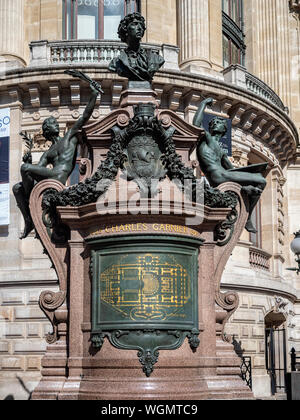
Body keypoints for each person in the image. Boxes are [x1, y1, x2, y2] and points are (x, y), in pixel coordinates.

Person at [13, 79, 102, 239]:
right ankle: (29, 219)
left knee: (25, 169)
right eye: (50, 124)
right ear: (47, 131)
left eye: (54, 122)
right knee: (17, 188)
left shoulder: (68, 138)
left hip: (59, 176)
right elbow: (36, 171)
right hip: (50, 176)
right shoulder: (49, 152)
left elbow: (84, 117)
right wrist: (27, 161)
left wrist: (94, 95)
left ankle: (30, 203)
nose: (54, 124)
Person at [193, 97, 267, 233]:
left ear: (223, 130)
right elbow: (196, 125)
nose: (215, 123)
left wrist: (249, 176)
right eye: (213, 122)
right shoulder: (207, 139)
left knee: (259, 179)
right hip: (218, 176)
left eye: (218, 123)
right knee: (260, 179)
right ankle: (248, 216)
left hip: (224, 174)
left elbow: (233, 171)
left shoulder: (221, 152)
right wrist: (202, 104)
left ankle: (247, 206)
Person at [109, 12, 164, 82]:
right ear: (125, 29)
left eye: (141, 25)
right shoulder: (117, 62)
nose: (139, 28)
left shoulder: (156, 59)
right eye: (134, 24)